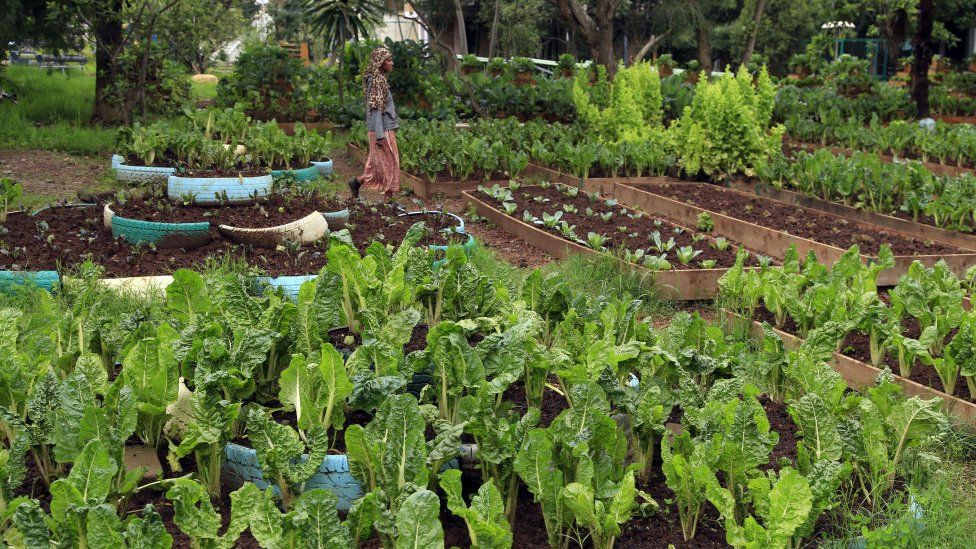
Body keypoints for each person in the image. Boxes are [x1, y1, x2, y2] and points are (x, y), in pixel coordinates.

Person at [348, 47, 399, 201]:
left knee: (378, 165)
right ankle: (387, 203)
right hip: (382, 130)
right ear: (380, 63)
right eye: (388, 60)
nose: (392, 63)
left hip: (381, 129)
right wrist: (380, 135)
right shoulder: (377, 81)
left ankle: (356, 182)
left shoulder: (378, 79)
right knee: (391, 164)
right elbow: (376, 110)